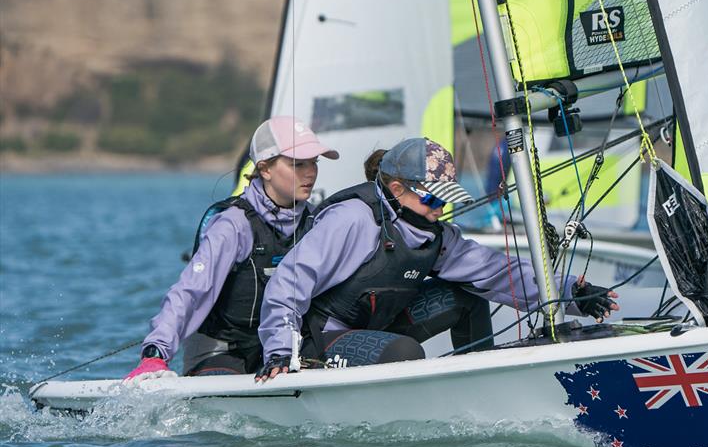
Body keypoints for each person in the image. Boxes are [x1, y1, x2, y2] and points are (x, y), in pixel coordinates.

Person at [255, 137, 618, 382]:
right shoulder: (353, 219)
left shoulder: (435, 234)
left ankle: (479, 388)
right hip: (323, 339)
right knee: (405, 352)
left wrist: (572, 294)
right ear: (397, 190)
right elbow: (288, 282)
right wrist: (280, 353)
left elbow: (496, 272)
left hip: (377, 326)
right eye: (433, 200)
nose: (441, 209)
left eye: (446, 199)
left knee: (467, 296)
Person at [124, 116, 339, 382]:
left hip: (281, 347)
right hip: (221, 350)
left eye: (314, 162)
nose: (310, 172)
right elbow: (190, 291)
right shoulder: (233, 224)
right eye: (298, 163)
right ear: (265, 169)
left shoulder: (316, 222)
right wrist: (155, 352)